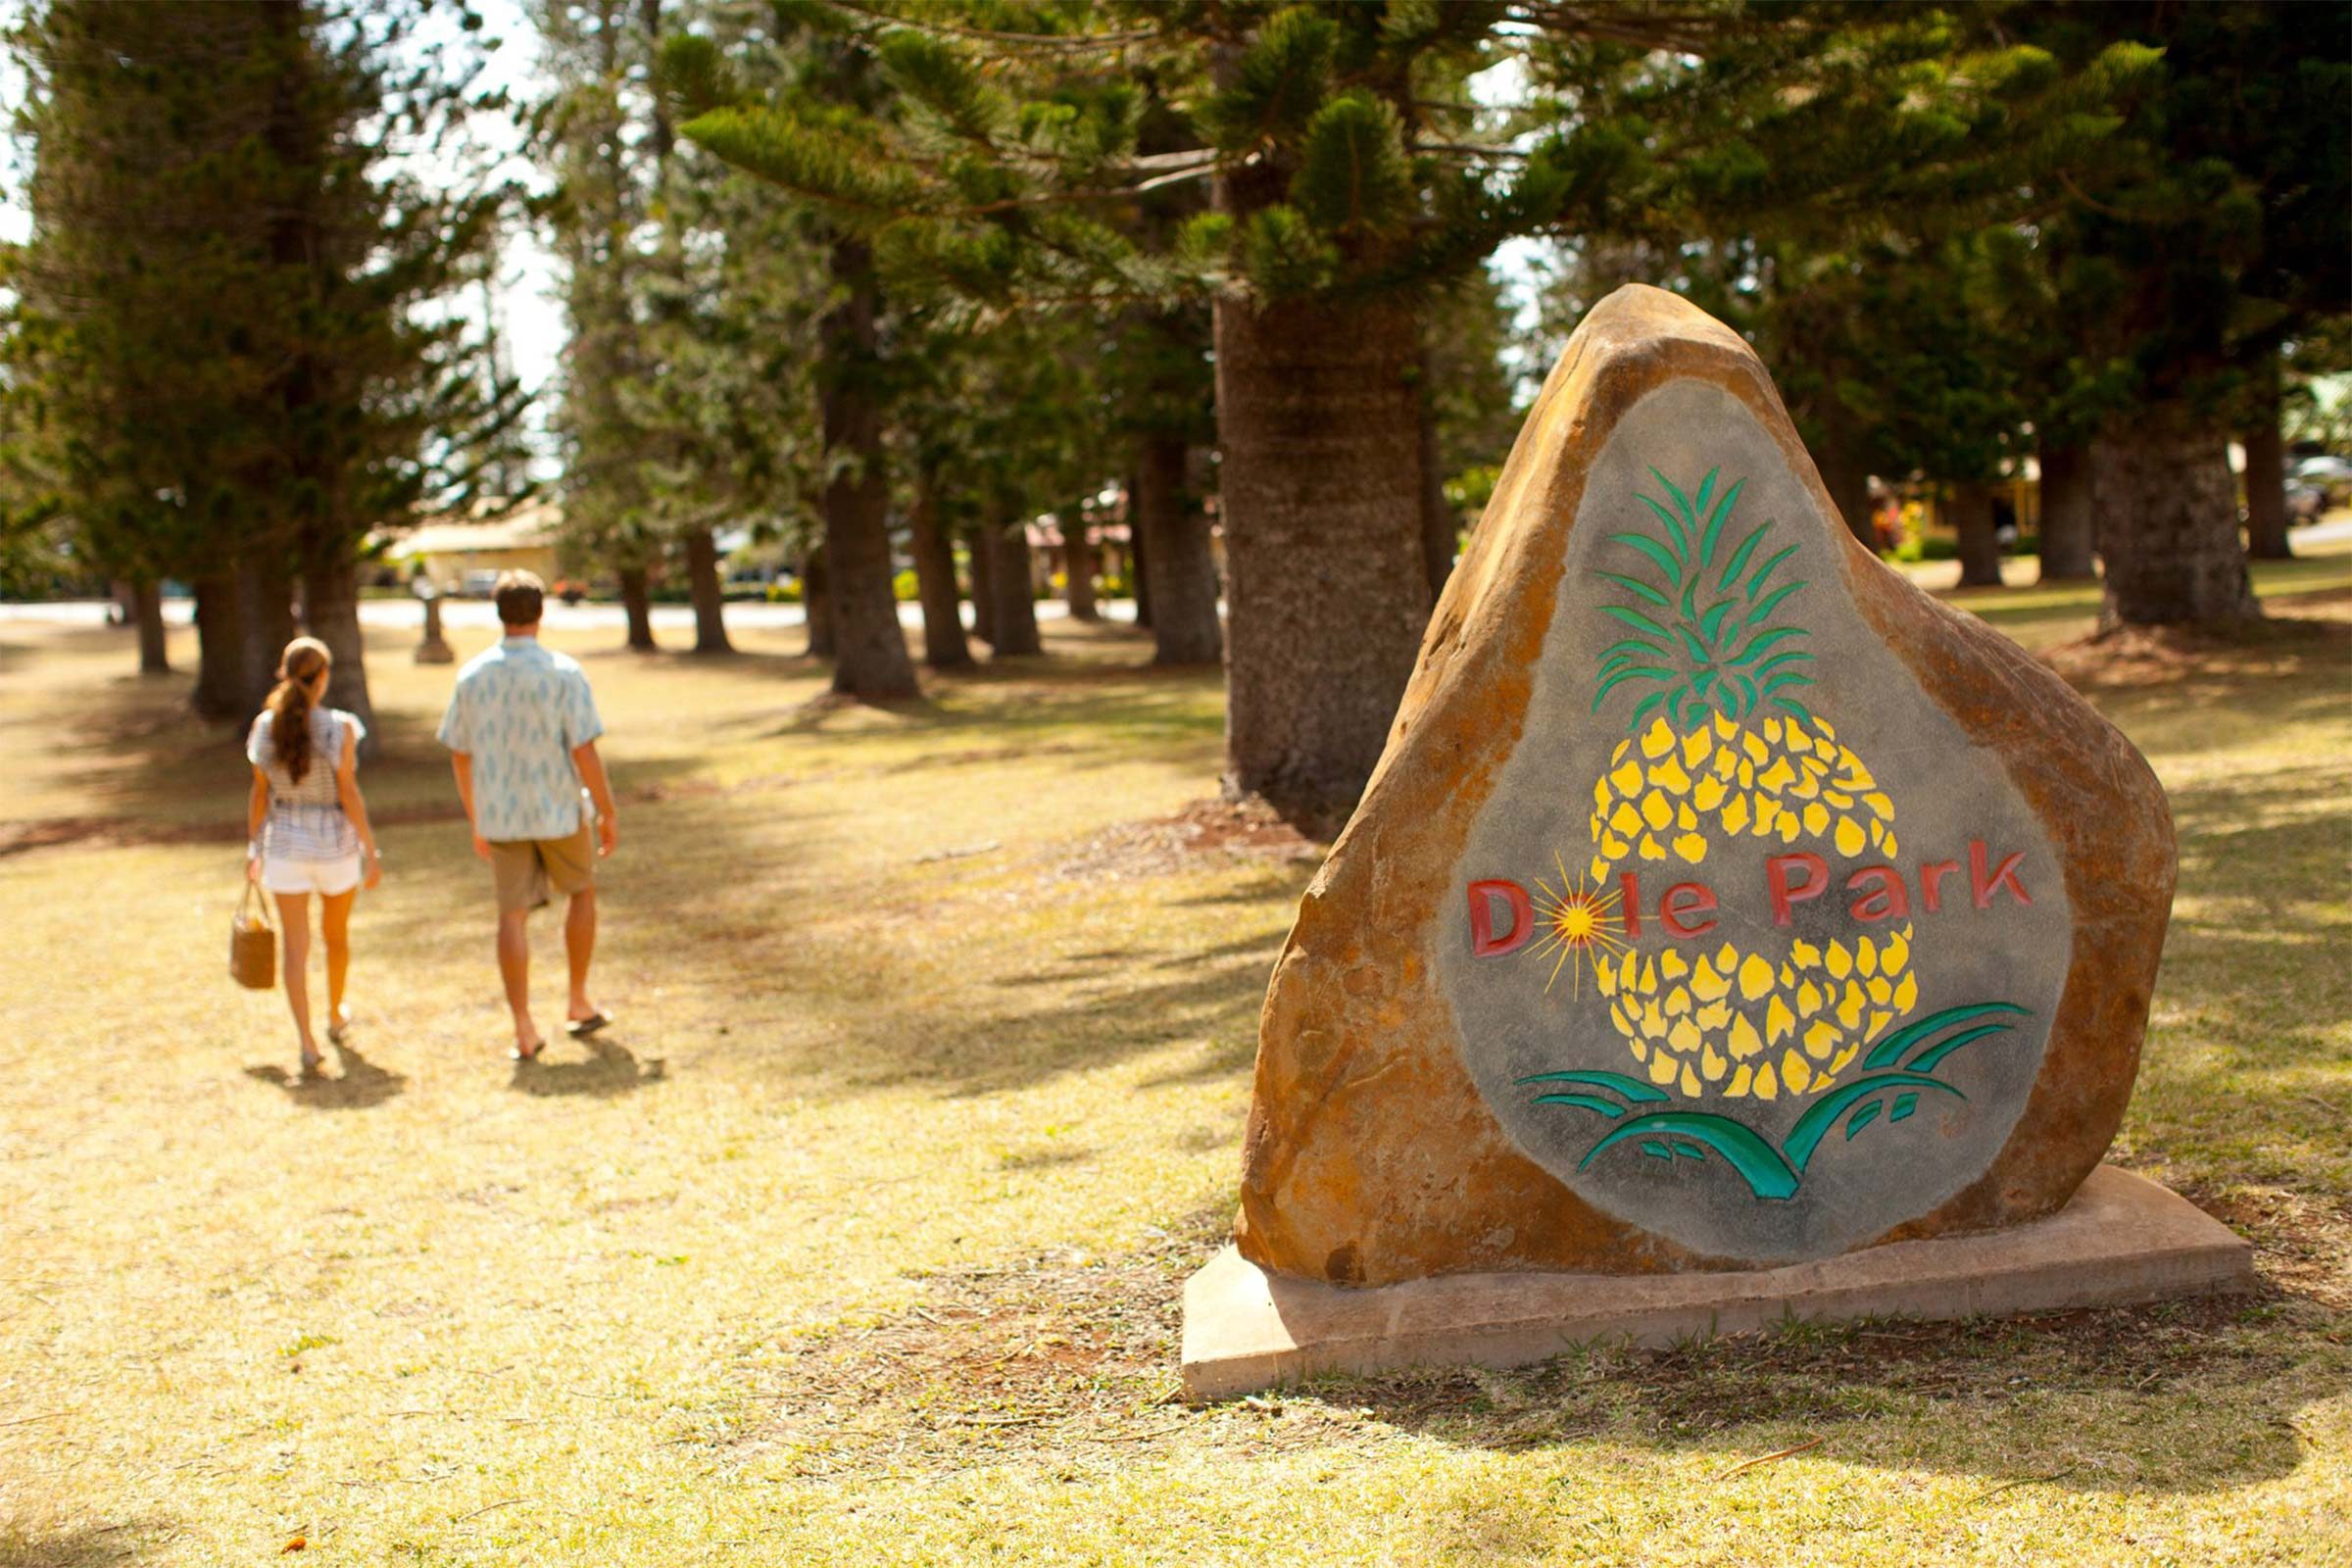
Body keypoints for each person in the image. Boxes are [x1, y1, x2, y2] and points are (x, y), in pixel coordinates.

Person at [437, 570, 619, 1061]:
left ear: (500, 613)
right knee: (580, 892)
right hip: (559, 808)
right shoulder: (562, 672)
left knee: (511, 916)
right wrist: (606, 811)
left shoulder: (473, 676)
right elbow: (584, 749)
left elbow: (460, 751)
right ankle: (577, 999)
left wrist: (476, 816)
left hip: (501, 815)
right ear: (540, 611)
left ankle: (523, 1026)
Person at [246, 635, 383, 1076]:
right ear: (321, 677)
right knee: (336, 936)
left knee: (295, 947)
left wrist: (253, 847)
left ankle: (306, 1040)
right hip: (333, 845)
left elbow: (259, 794)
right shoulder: (339, 727)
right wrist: (369, 847)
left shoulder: (264, 726)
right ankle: (335, 1012)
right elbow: (348, 791)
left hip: (284, 843)